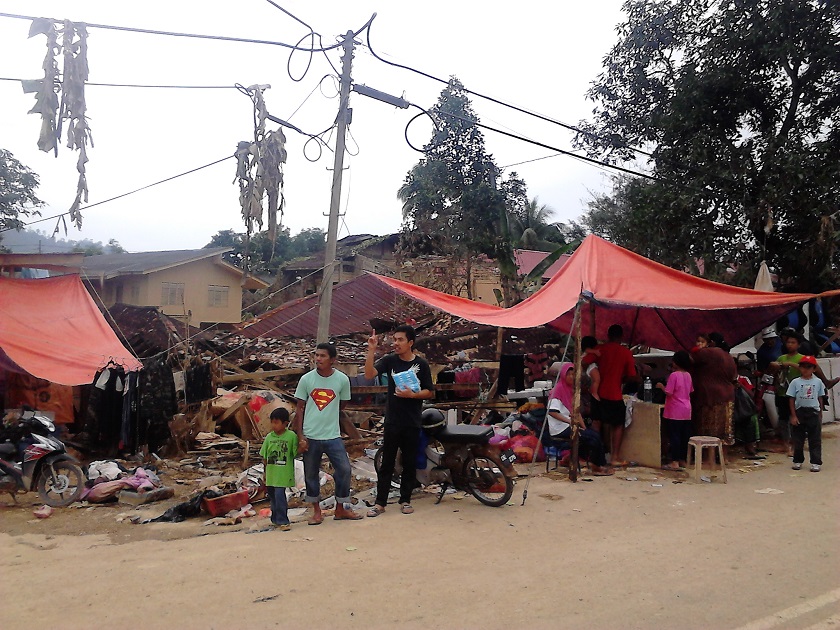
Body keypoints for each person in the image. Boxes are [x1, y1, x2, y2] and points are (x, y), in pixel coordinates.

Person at [364, 324, 434, 517]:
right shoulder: (389, 361)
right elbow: (369, 375)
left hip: (412, 420)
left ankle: (405, 500)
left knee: (409, 462)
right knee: (387, 462)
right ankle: (380, 503)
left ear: (410, 342)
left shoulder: (422, 364)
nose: (396, 343)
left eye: (400, 340)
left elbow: (430, 391)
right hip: (393, 420)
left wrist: (413, 395)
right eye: (394, 339)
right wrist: (371, 350)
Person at [293, 342, 361, 525]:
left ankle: (341, 508)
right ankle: (316, 511)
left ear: (333, 360)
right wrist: (301, 436)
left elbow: (342, 404)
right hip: (311, 435)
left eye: (322, 356)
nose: (318, 359)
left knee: (345, 469)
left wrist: (329, 416)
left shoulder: (342, 380)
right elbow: (299, 409)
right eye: (316, 355)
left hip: (333, 435)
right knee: (311, 473)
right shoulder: (307, 380)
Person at [546, 363, 613, 475]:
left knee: (594, 435)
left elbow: (576, 413)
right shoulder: (558, 391)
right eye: (569, 374)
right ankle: (598, 466)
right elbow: (552, 412)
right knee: (592, 439)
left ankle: (592, 462)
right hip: (560, 429)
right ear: (563, 376)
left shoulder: (571, 391)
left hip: (570, 425)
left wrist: (584, 427)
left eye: (574, 374)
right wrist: (570, 422)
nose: (572, 377)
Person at [596, 324, 638, 466]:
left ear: (608, 336)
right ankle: (615, 456)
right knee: (618, 424)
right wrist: (622, 378)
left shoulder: (600, 349)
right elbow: (632, 376)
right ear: (621, 337)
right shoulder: (625, 352)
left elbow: (585, 362)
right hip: (615, 393)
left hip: (598, 393)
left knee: (601, 423)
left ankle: (600, 454)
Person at [690, 331, 737, 448]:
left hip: (709, 396)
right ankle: (724, 458)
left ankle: (708, 458)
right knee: (726, 431)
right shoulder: (728, 356)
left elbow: (690, 358)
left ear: (711, 342)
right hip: (728, 396)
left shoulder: (707, 353)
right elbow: (734, 377)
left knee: (708, 431)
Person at [259, 407, 298, 531]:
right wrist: (265, 473)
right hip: (271, 474)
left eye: (277, 422)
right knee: (273, 497)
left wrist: (303, 446)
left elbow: (295, 452)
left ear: (285, 423)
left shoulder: (291, 436)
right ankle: (275, 519)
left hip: (283, 473)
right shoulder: (269, 438)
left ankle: (283, 521)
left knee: (280, 495)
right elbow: (264, 456)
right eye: (272, 422)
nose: (273, 425)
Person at [787, 355, 826, 472]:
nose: (805, 369)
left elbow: (820, 397)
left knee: (815, 439)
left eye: (809, 367)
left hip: (813, 411)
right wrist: (793, 415)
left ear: (814, 369)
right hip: (800, 411)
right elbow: (791, 399)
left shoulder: (818, 382)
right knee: (798, 439)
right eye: (803, 367)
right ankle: (797, 460)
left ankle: (815, 462)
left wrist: (820, 412)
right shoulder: (795, 382)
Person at [656, 350, 693, 470]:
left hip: (675, 409)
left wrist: (661, 386)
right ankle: (682, 459)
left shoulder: (674, 375)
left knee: (674, 435)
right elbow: (690, 390)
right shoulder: (688, 375)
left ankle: (674, 461)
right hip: (686, 409)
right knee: (684, 436)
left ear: (676, 362)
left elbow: (669, 392)